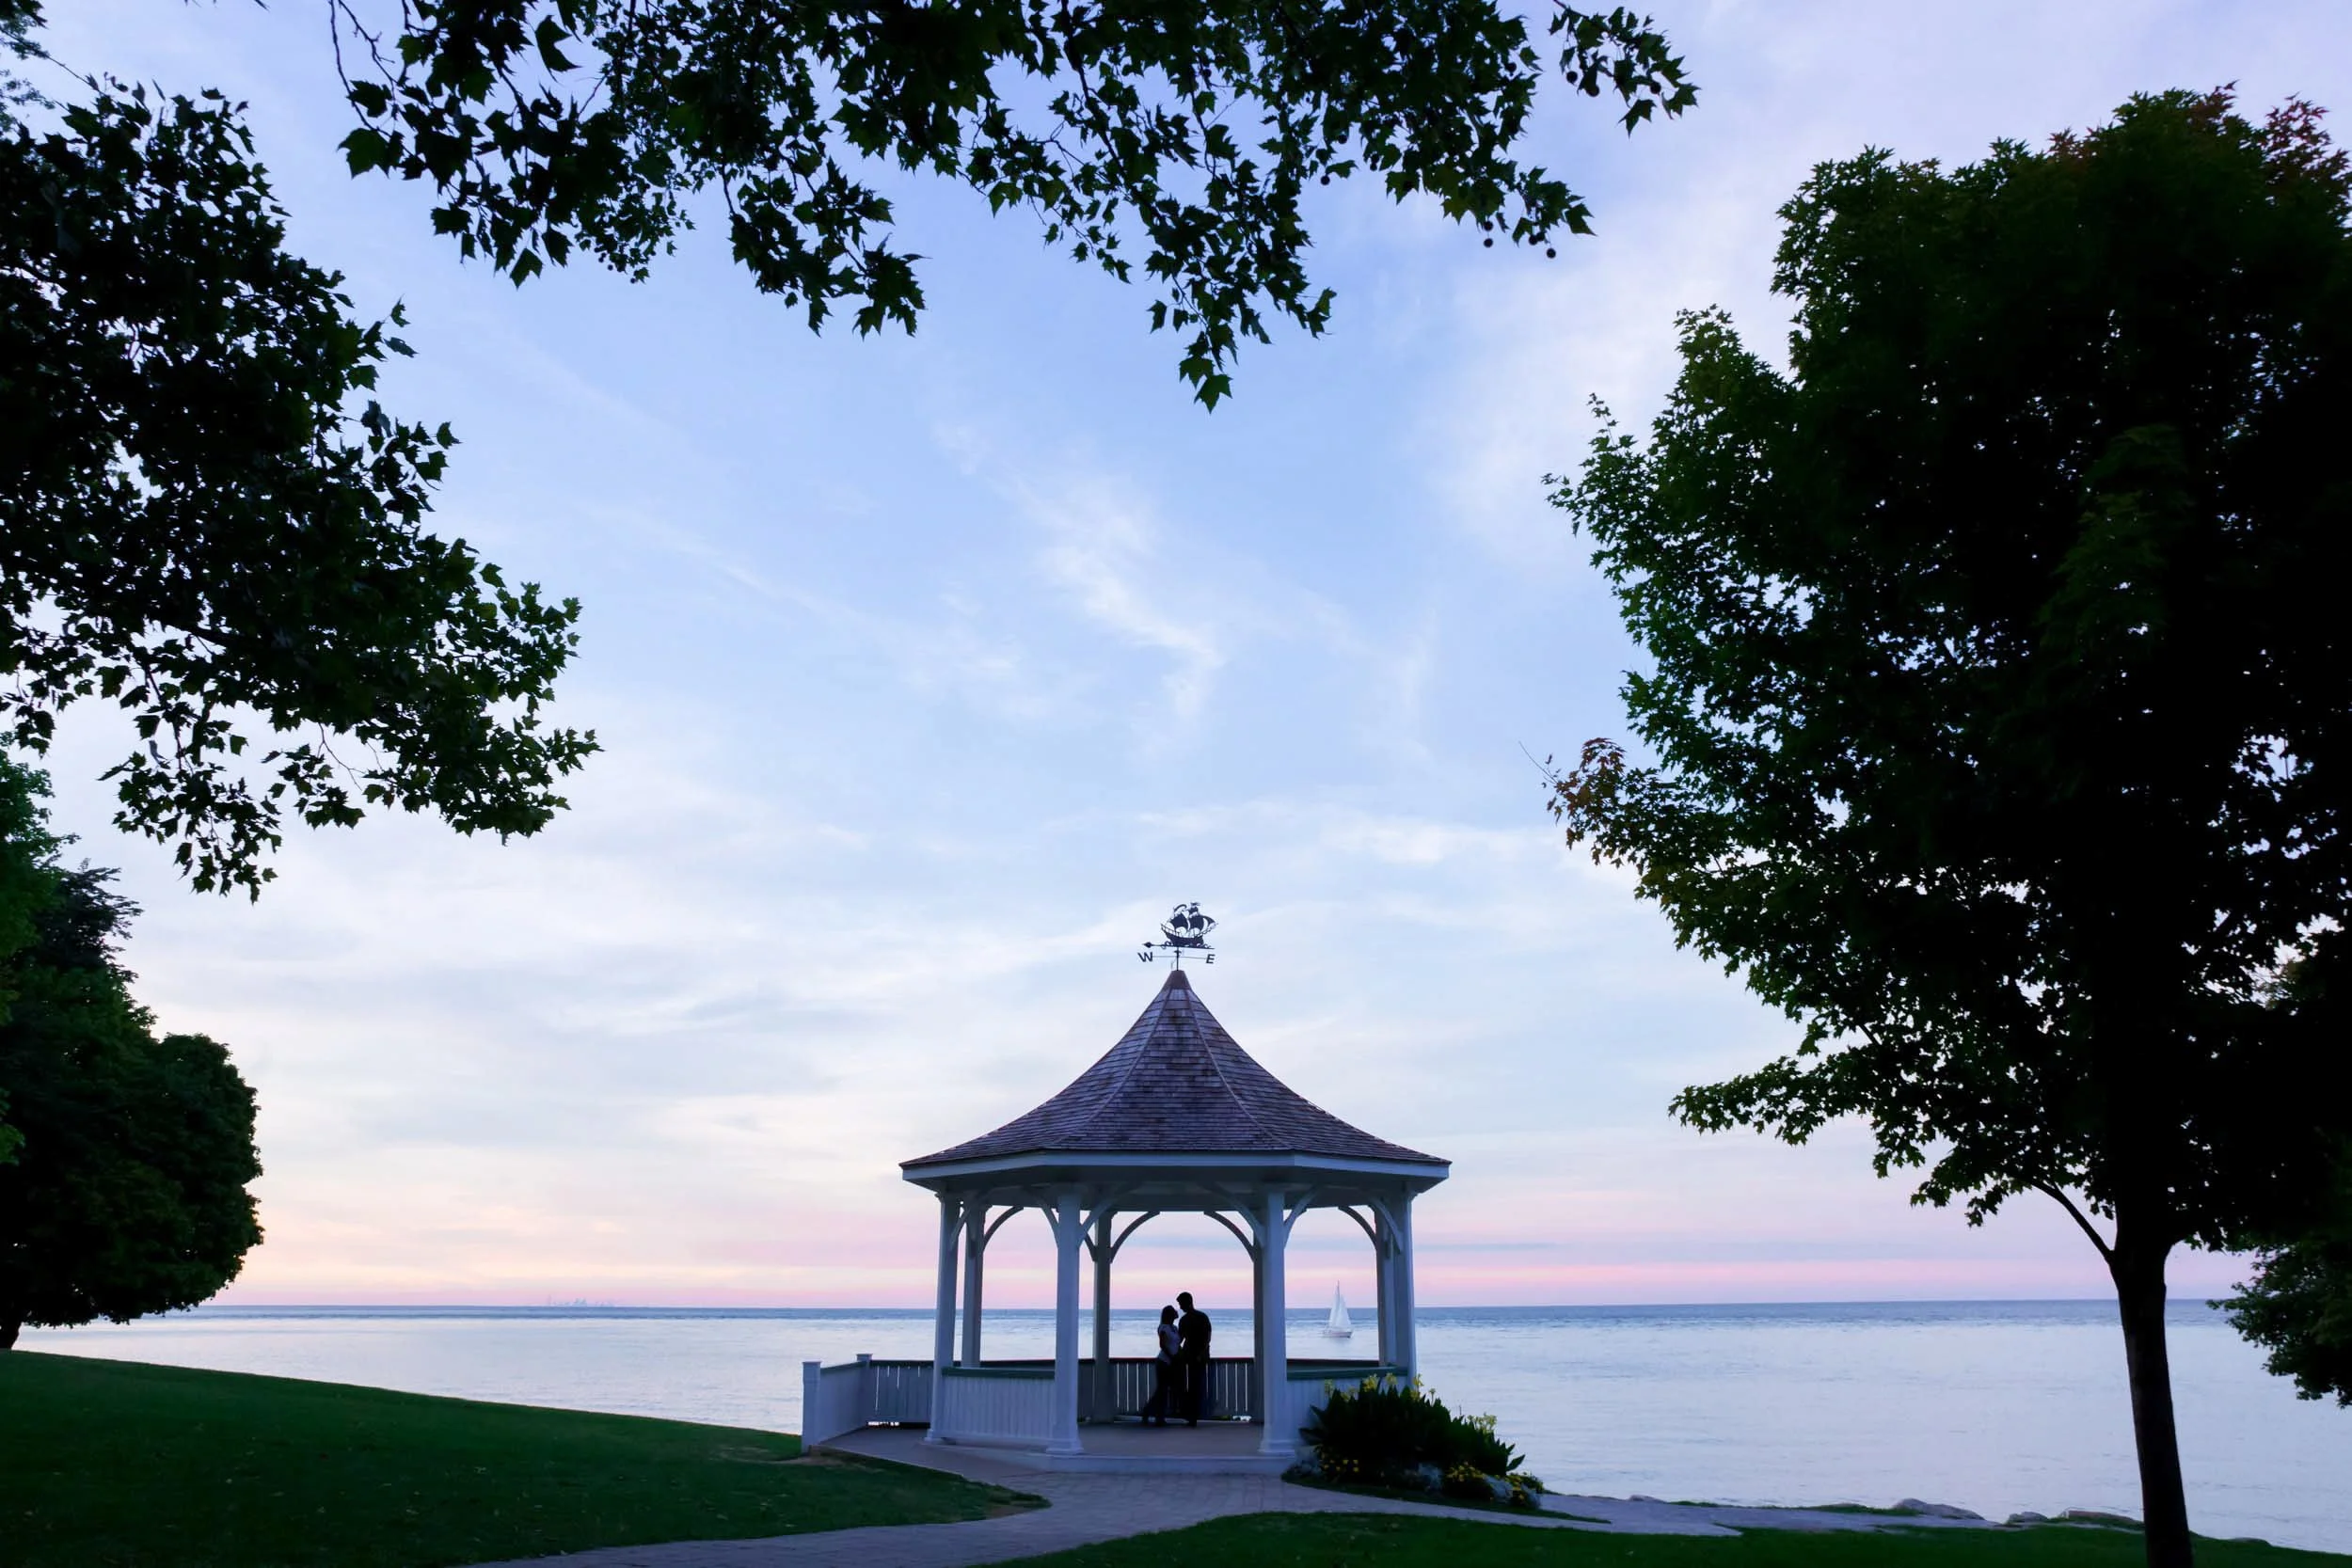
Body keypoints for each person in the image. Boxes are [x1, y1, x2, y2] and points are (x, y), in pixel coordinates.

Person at [1175, 1290, 1213, 1425]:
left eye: (1180, 1304)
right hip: (1196, 1357)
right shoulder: (1202, 1317)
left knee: (1191, 1387)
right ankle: (1193, 1415)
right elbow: (1208, 1338)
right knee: (1195, 1386)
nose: (1180, 1307)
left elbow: (1180, 1339)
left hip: (1191, 1356)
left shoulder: (1185, 1320)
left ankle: (1192, 1416)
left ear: (1187, 1303)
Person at [1139, 1305, 1181, 1426]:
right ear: (1169, 1314)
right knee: (1161, 1390)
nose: (1176, 1312)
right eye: (1173, 1311)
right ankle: (1151, 1413)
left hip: (1171, 1363)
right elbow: (1162, 1345)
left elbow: (1177, 1345)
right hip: (1163, 1362)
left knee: (1164, 1390)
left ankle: (1157, 1415)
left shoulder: (1174, 1328)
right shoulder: (1163, 1328)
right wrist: (1171, 1357)